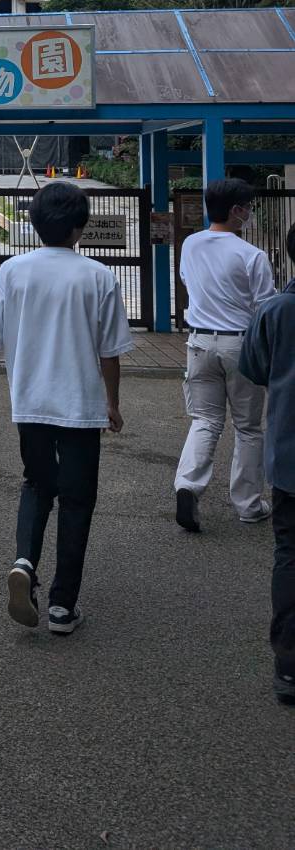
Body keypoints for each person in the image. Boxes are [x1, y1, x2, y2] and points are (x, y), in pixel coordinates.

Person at [0, 181, 132, 636]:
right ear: (78, 227)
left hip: (29, 401)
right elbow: (110, 351)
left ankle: (24, 562)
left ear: (35, 224)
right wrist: (112, 402)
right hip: (80, 405)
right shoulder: (98, 276)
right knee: (77, 500)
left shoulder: (11, 271)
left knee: (36, 484)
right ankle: (62, 607)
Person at [174, 177, 274, 532]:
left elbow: (187, 281)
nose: (250, 213)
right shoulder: (252, 255)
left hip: (199, 343)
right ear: (236, 211)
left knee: (205, 419)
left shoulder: (191, 244)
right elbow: (264, 308)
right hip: (241, 346)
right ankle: (248, 505)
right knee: (248, 427)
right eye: (248, 208)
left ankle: (188, 485)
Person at [238, 222, 295, 707]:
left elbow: (254, 369)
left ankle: (289, 666)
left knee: (290, 555)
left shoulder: (274, 311)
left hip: (290, 454)